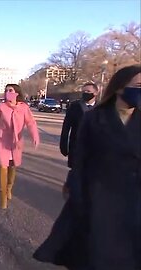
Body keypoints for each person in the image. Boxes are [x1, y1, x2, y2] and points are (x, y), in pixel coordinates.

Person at [34, 65, 141, 270]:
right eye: (138, 85)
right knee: (94, 254)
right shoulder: (95, 118)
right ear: (120, 88)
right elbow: (82, 158)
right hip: (99, 197)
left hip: (134, 201)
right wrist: (75, 190)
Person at [0, 84, 39, 209]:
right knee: (3, 167)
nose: (8, 93)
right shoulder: (1, 106)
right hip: (2, 140)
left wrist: (35, 136)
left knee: (13, 166)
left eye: (10, 90)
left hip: (16, 142)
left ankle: (9, 188)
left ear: (17, 93)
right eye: (6, 91)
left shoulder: (23, 108)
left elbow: (31, 123)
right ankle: (3, 197)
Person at [59, 82, 99, 198]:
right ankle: (71, 189)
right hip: (76, 145)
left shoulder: (101, 108)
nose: (85, 94)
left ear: (96, 93)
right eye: (84, 91)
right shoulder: (75, 106)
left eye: (88, 91)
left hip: (94, 148)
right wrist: (63, 145)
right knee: (76, 170)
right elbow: (66, 127)